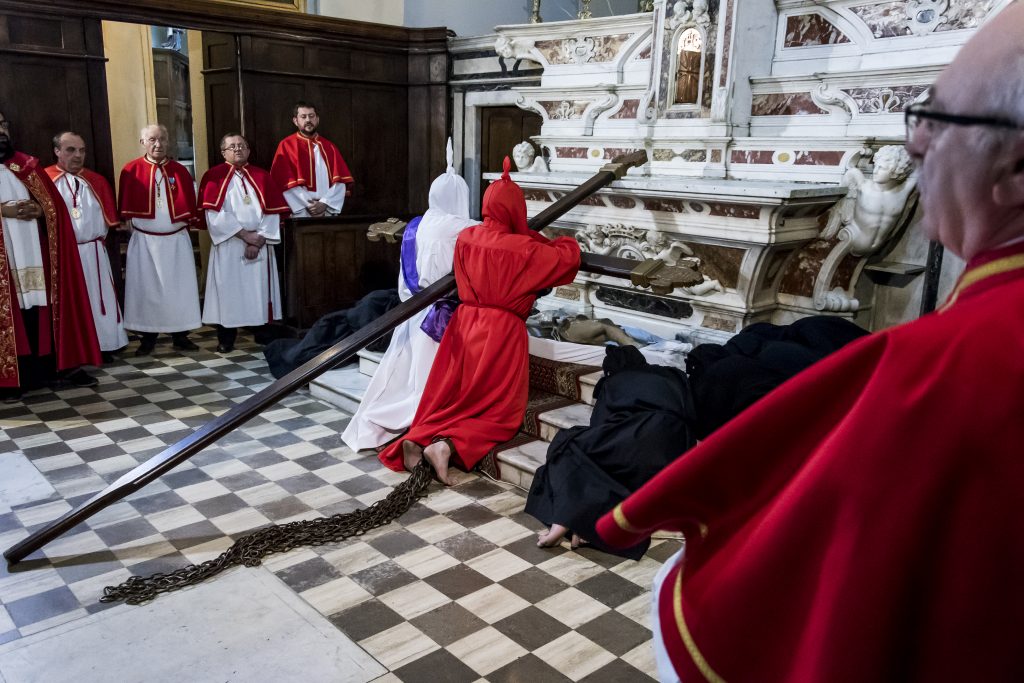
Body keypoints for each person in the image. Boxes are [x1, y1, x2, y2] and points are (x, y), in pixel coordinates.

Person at [596, 7, 1024, 681]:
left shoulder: (938, 373)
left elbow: (771, 606)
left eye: (938, 122)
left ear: (1017, 167)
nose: (915, 147)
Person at [378, 157, 581, 484]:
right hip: (501, 333)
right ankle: (448, 445)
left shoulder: (468, 237)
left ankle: (417, 438)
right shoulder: (525, 249)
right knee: (498, 413)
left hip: (464, 325)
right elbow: (568, 256)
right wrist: (528, 233)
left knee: (452, 400)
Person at [342, 139, 477, 451]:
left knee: (401, 378)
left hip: (414, 310)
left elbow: (405, 277)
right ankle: (418, 428)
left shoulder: (417, 224)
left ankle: (383, 422)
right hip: (444, 315)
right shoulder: (466, 228)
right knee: (428, 383)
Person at [0, 112, 101, 400]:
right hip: (5, 263)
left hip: (34, 255)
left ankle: (49, 368)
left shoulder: (26, 166)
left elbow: (55, 209)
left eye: (4, 124)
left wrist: (40, 211)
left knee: (38, 311)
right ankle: (10, 379)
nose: (1, 131)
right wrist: (3, 212)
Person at [198, 133, 289, 353]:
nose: (238, 149)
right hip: (229, 244)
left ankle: (261, 332)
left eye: (242, 146)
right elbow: (215, 215)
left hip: (259, 244)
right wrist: (244, 236)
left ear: (248, 151)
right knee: (228, 291)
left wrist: (257, 240)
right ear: (223, 152)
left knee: (259, 290)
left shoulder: (261, 175)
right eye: (232, 146)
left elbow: (272, 212)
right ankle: (226, 338)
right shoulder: (213, 176)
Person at [118, 124, 202, 355]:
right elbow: (125, 210)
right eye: (152, 139)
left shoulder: (180, 171)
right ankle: (147, 337)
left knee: (179, 290)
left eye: (162, 139)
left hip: (176, 241)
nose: (158, 144)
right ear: (142, 142)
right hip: (145, 242)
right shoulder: (131, 170)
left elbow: (189, 206)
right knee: (145, 291)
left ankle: (181, 335)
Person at [46, 131, 128, 362]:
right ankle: (77, 351)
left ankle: (106, 344)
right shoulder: (46, 181)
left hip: (94, 251)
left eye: (81, 150)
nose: (78, 155)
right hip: (64, 256)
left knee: (100, 300)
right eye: (71, 150)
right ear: (57, 152)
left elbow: (109, 221)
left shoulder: (96, 180)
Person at [270, 102, 353, 218]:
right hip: (299, 212)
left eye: (311, 116)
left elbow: (340, 182)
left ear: (317, 119)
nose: (308, 120)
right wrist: (308, 205)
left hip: (327, 211)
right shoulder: (286, 145)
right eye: (303, 117)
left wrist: (325, 203)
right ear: (295, 121)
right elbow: (283, 181)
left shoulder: (329, 146)